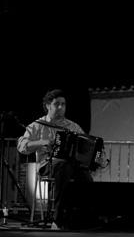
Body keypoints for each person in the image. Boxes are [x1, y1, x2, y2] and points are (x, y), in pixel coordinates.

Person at [17, 89, 93, 230]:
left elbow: (86, 145)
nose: (61, 107)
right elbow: (21, 147)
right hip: (46, 165)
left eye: (63, 104)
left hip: (69, 166)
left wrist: (94, 156)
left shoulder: (72, 126)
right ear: (47, 106)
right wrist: (42, 142)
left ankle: (84, 217)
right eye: (57, 104)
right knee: (63, 166)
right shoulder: (37, 125)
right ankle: (58, 219)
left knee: (85, 176)